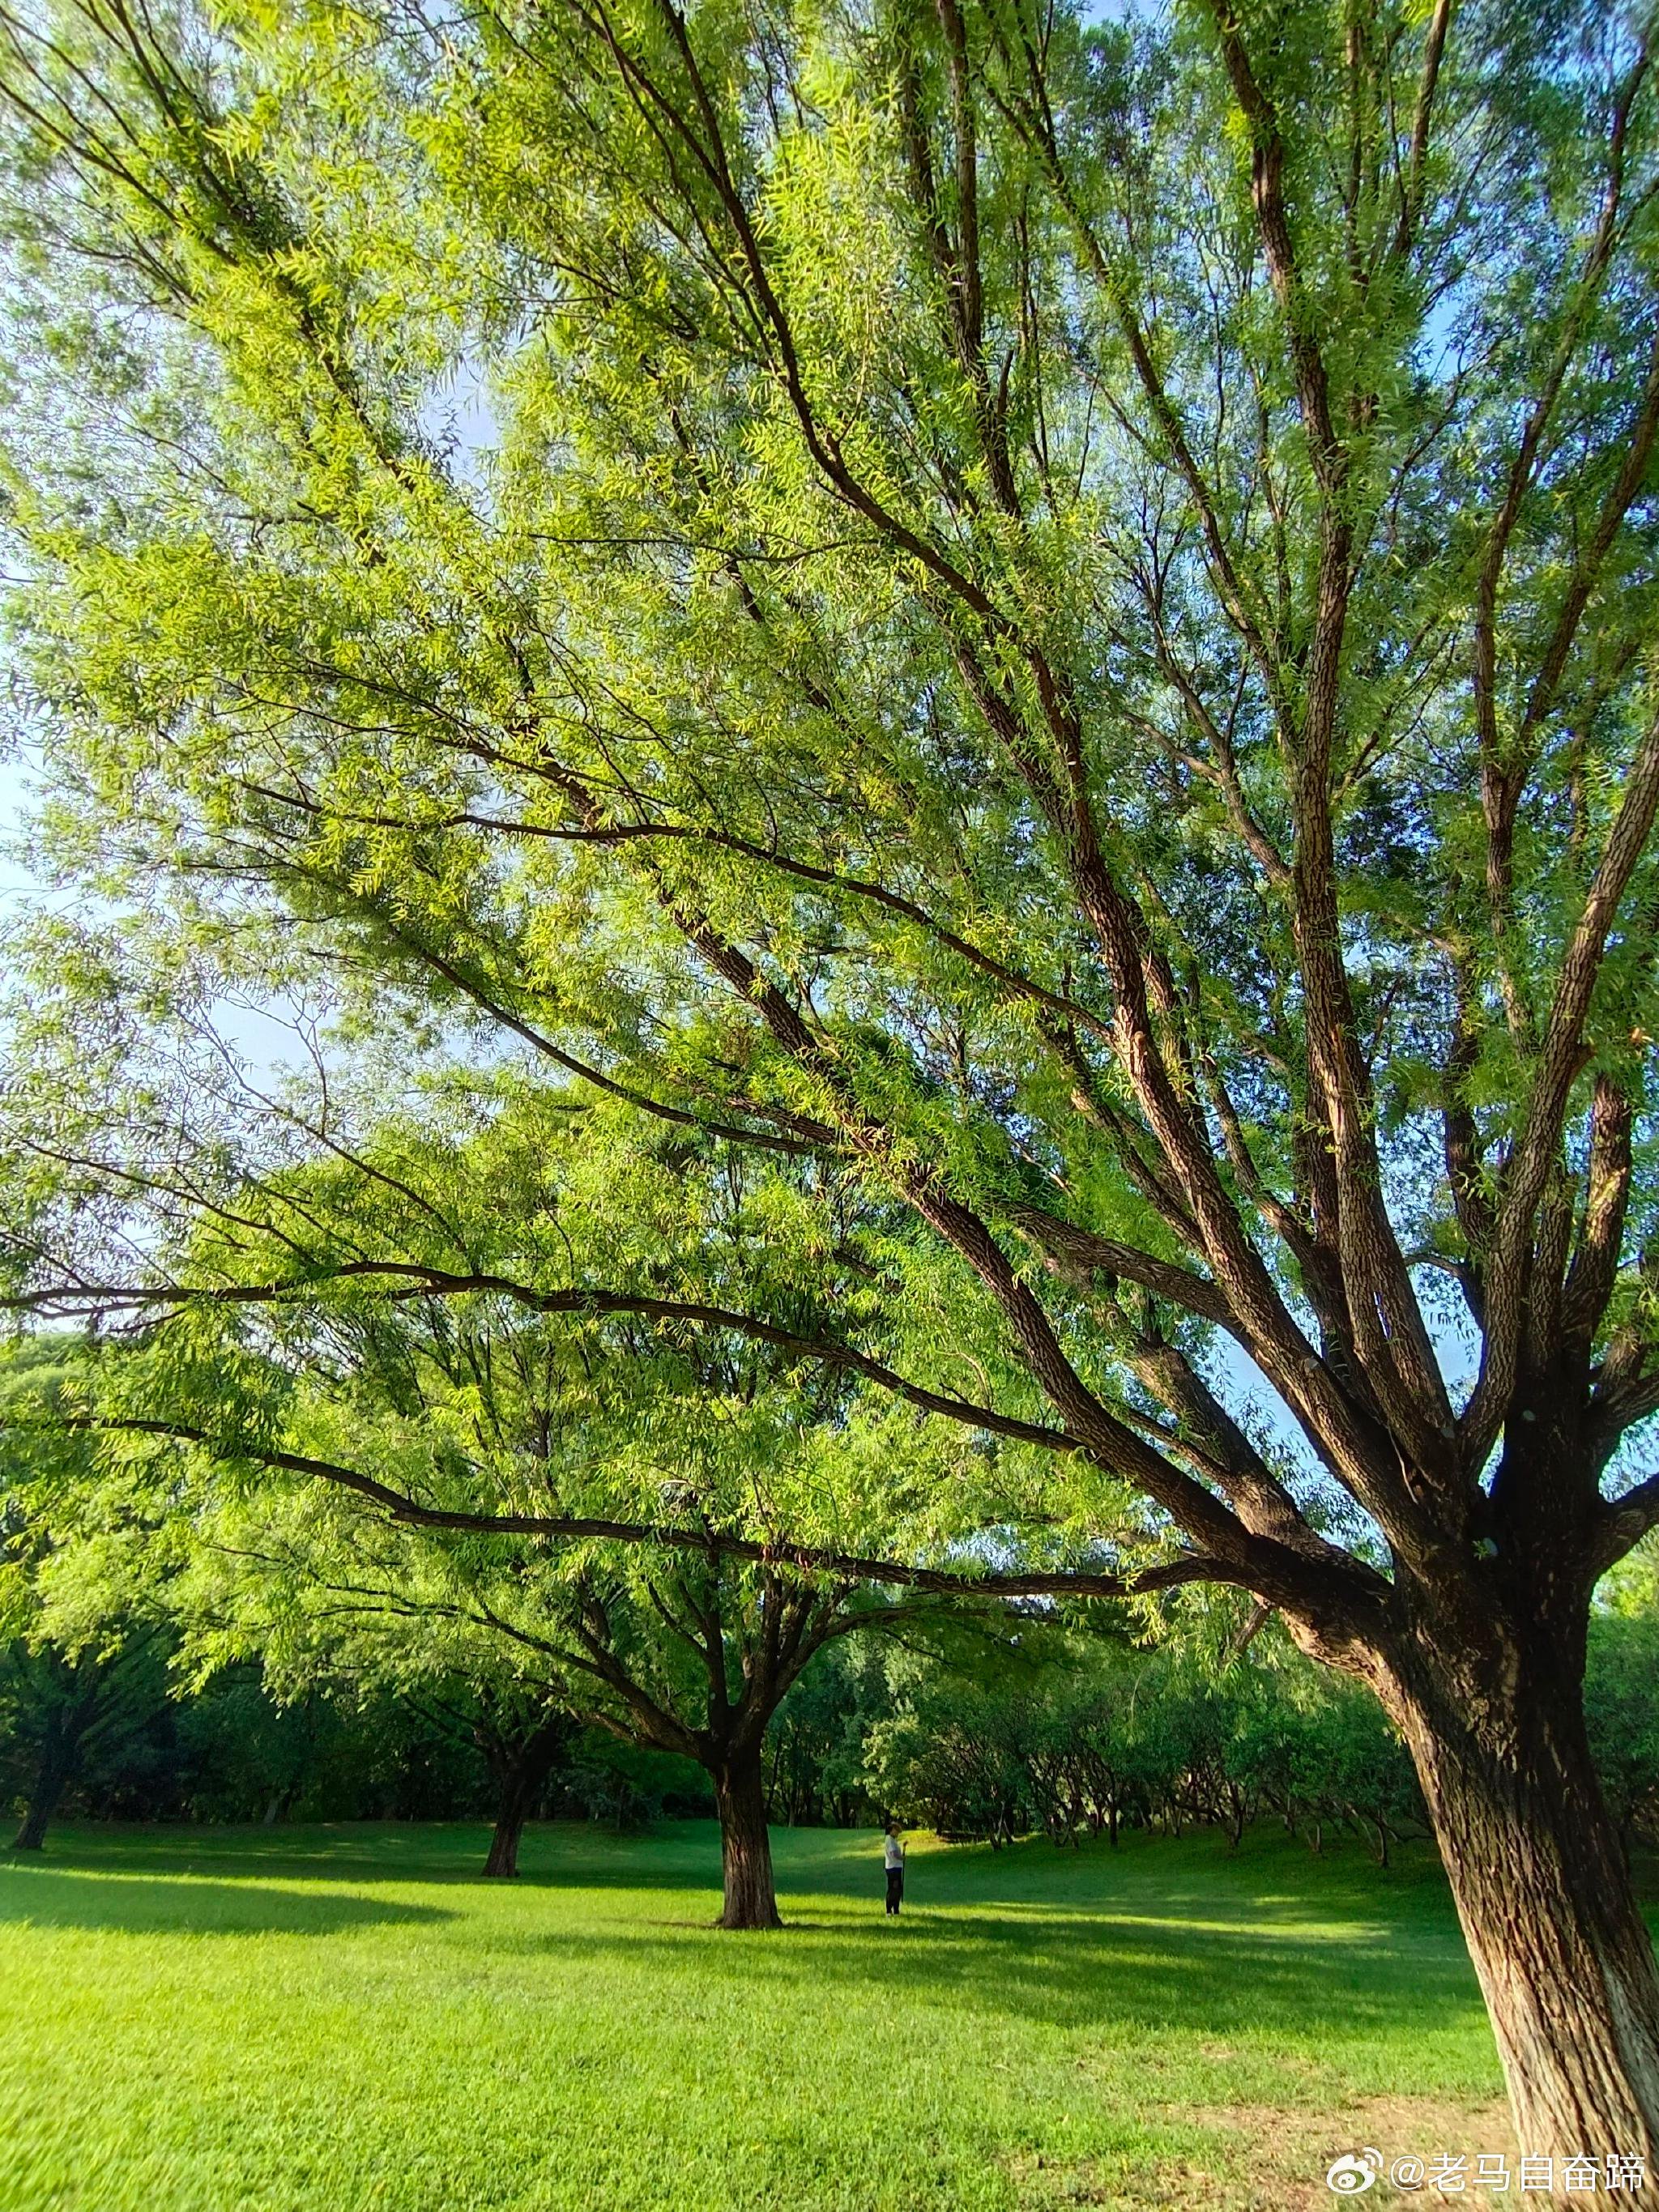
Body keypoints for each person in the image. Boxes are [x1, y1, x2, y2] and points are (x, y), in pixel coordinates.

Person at [882, 1822, 905, 1916]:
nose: (898, 1834)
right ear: (892, 1830)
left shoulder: (892, 1840)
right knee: (894, 1889)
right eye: (897, 1831)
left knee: (898, 1889)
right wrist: (901, 1858)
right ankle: (889, 1910)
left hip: (896, 1867)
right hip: (893, 1868)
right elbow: (893, 1854)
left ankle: (896, 1910)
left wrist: (903, 1848)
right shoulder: (889, 1839)